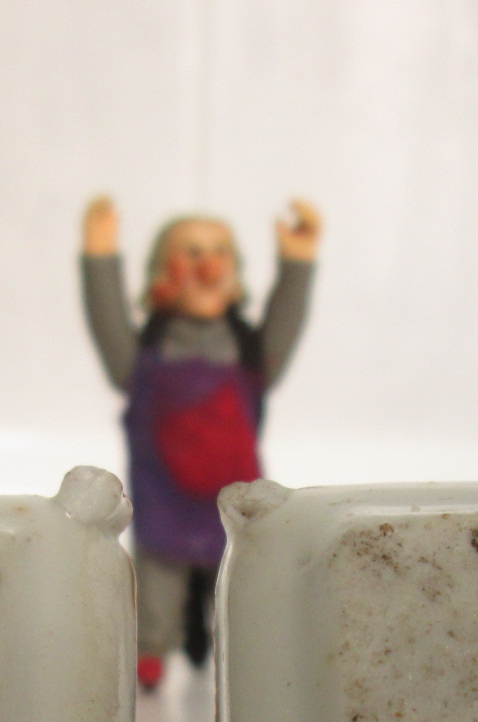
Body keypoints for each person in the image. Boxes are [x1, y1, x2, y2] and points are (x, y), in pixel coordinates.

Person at [80, 196, 320, 689]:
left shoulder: (249, 353)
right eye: (190, 252)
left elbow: (283, 331)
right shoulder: (145, 354)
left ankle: (242, 646)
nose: (207, 266)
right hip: (163, 493)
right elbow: (110, 332)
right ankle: (152, 646)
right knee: (158, 575)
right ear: (160, 274)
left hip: (233, 492)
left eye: (219, 252)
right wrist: (100, 255)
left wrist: (297, 262)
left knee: (237, 576)